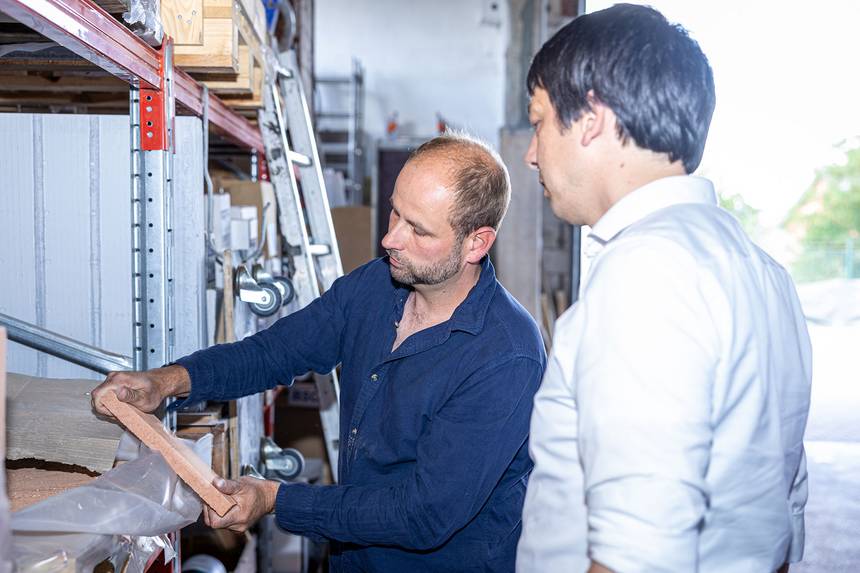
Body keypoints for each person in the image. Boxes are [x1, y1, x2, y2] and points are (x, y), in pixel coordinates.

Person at [93, 131, 546, 572]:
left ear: (476, 243)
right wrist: (166, 382)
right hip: (353, 556)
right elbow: (274, 352)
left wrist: (275, 499)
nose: (391, 239)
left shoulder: (506, 356)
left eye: (418, 230)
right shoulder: (375, 285)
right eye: (395, 214)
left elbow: (422, 513)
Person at [516, 5, 811, 573]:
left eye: (539, 120)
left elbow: (637, 557)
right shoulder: (763, 272)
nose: (532, 153)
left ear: (591, 117)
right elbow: (782, 506)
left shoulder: (646, 275)